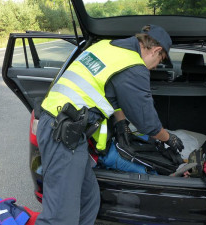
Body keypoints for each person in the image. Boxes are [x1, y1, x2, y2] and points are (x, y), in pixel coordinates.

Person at [35, 24, 184, 225]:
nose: (156, 66)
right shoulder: (133, 65)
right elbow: (147, 122)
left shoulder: (106, 46)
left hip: (64, 129)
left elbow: (109, 93)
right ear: (156, 50)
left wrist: (121, 123)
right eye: (160, 60)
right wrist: (170, 138)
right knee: (60, 217)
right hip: (62, 134)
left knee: (88, 199)